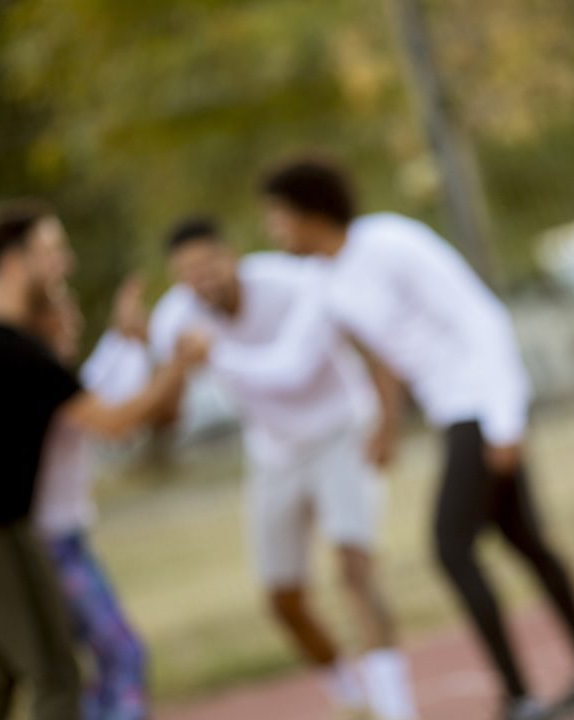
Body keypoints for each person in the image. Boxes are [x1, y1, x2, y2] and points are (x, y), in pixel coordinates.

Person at [226, 159, 574, 720]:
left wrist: (505, 420)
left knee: (451, 546)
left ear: (306, 212)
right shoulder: (323, 281)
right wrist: (214, 353)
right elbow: (289, 365)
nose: (273, 230)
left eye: (277, 217)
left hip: (480, 406)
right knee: (523, 538)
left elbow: (480, 317)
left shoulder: (390, 241)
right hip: (452, 413)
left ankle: (520, 697)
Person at [0, 199, 205, 720]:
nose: (64, 264)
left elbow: (97, 390)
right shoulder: (20, 355)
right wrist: (177, 365)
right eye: (52, 250)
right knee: (54, 674)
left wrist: (130, 347)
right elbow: (115, 420)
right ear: (12, 260)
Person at [148, 218, 417, 720]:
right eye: (187, 272)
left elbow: (316, 360)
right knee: (282, 599)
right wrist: (165, 368)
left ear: (232, 256)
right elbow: (164, 415)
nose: (201, 278)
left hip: (340, 429)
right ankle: (352, 698)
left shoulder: (289, 283)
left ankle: (398, 710)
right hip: (273, 451)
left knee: (354, 569)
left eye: (209, 264)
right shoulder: (175, 320)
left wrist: (387, 423)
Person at [30, 280, 159, 720]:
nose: (72, 325)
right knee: (122, 654)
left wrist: (123, 337)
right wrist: (174, 366)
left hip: (66, 540)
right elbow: (116, 417)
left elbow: (97, 379)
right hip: (51, 547)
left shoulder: (52, 378)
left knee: (104, 663)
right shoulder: (37, 378)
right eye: (60, 317)